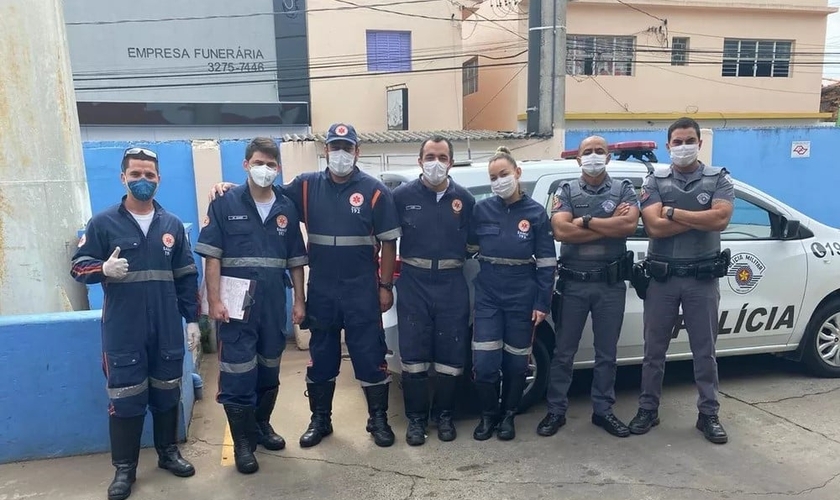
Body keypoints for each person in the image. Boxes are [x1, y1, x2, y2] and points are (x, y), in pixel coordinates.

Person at [209, 123, 402, 448]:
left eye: (347, 147)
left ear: (357, 151)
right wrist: (230, 187)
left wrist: (385, 287)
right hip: (323, 291)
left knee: (369, 355)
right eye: (334, 146)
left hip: (362, 291)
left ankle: (378, 420)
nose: (340, 153)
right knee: (323, 358)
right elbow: (265, 194)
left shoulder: (374, 191)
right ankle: (320, 420)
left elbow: (389, 244)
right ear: (325, 150)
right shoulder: (306, 186)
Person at [71, 147, 199, 500]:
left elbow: (187, 275)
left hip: (167, 327)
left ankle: (168, 453)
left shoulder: (171, 224)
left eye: (149, 175)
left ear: (159, 179)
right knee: (125, 398)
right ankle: (124, 469)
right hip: (123, 329)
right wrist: (102, 269)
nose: (143, 181)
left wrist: (193, 321)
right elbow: (78, 265)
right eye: (136, 174)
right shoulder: (103, 223)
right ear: (122, 177)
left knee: (166, 392)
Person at [195, 137, 307, 474]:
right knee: (237, 372)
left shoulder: (286, 206)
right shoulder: (224, 201)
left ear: (278, 168)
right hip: (234, 303)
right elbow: (211, 258)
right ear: (246, 164)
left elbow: (296, 260)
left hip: (273, 300)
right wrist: (214, 300)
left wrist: (299, 300)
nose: (265, 169)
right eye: (259, 163)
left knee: (269, 366)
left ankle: (261, 426)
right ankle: (243, 443)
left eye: (272, 165)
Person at [628, 117, 734, 444]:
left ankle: (708, 414)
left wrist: (673, 212)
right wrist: (700, 220)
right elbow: (655, 228)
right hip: (663, 279)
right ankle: (648, 408)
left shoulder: (719, 179)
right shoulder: (654, 180)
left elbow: (722, 219)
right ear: (668, 145)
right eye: (678, 141)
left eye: (689, 140)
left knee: (705, 350)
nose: (683, 146)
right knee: (653, 350)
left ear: (699, 143)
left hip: (701, 279)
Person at [537, 136, 639, 439]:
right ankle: (556, 411)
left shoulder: (624, 189)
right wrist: (606, 224)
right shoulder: (566, 189)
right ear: (578, 158)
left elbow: (628, 226)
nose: (593, 156)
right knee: (564, 352)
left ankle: (603, 410)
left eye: (599, 151)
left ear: (608, 157)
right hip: (573, 285)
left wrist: (584, 221)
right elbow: (560, 230)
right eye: (587, 152)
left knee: (607, 352)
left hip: (610, 285)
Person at [467, 146, 556, 441]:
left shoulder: (536, 214)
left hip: (522, 293)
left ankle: (508, 416)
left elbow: (546, 262)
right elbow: (466, 247)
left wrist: (542, 301)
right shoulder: (481, 210)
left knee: (517, 361)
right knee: (484, 362)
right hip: (489, 293)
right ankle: (488, 415)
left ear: (517, 173)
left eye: (503, 174)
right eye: (493, 177)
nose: (499, 181)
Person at [391, 135, 475, 446]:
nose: (435, 163)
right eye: (430, 156)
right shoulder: (401, 196)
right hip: (414, 280)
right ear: (419, 161)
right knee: (413, 355)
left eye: (442, 157)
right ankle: (416, 420)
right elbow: (386, 238)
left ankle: (445, 416)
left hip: (452, 282)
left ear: (451, 162)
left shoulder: (465, 200)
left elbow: (474, 243)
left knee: (451, 356)